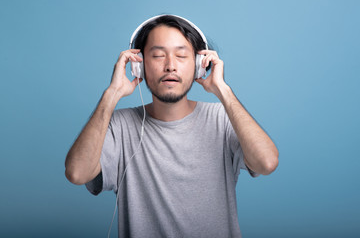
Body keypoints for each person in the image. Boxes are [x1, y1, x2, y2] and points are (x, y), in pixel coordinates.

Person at [65, 14, 279, 238]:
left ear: (199, 65)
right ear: (138, 66)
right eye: (157, 55)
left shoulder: (223, 119)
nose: (170, 66)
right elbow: (77, 173)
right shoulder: (119, 126)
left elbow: (267, 162)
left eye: (181, 56)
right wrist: (110, 95)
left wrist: (223, 91)